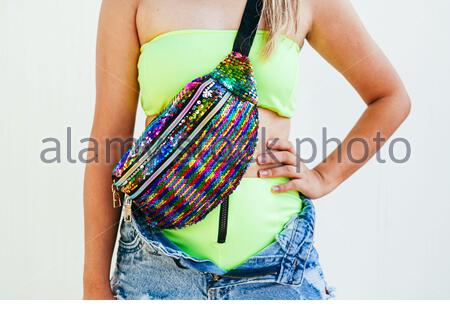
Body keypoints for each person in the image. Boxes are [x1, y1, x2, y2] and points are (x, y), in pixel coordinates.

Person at [83, 0, 410, 300]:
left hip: (277, 268)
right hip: (155, 266)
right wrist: (94, 285)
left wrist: (325, 176)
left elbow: (390, 97)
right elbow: (108, 142)